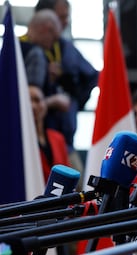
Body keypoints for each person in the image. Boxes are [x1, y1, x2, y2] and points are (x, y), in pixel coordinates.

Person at [33, 0, 99, 154]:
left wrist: (74, 102)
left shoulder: (66, 48)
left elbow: (92, 76)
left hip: (65, 139)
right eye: (61, 17)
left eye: (66, 18)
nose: (64, 23)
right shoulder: (26, 50)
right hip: (34, 135)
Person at [30, 84, 71, 181]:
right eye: (28, 100)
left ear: (45, 105)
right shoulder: (16, 140)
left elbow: (66, 173)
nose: (33, 106)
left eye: (37, 100)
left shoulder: (57, 138)